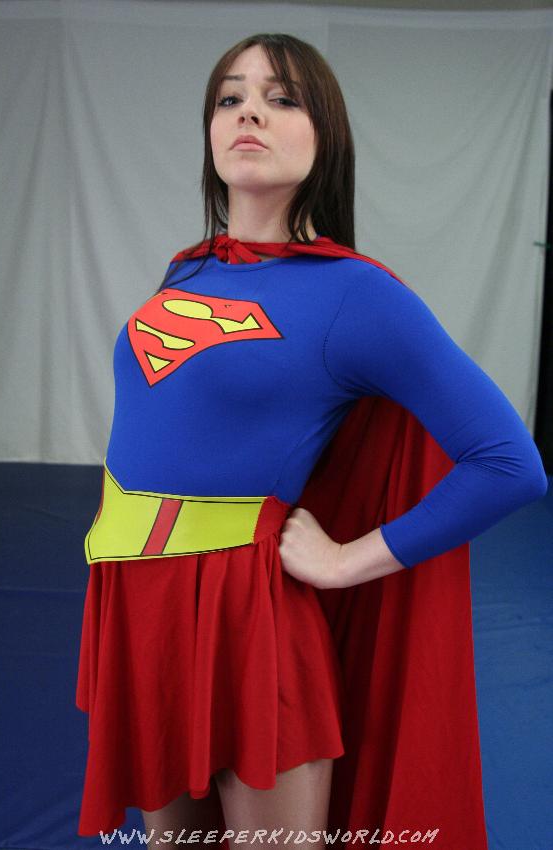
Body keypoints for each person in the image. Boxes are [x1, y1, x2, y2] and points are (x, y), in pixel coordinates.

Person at [75, 33, 548, 846]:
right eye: (230, 98)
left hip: (247, 617)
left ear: (324, 135)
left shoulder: (355, 294)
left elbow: (508, 464)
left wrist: (345, 561)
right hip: (139, 608)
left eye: (281, 98)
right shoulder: (187, 271)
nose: (249, 112)